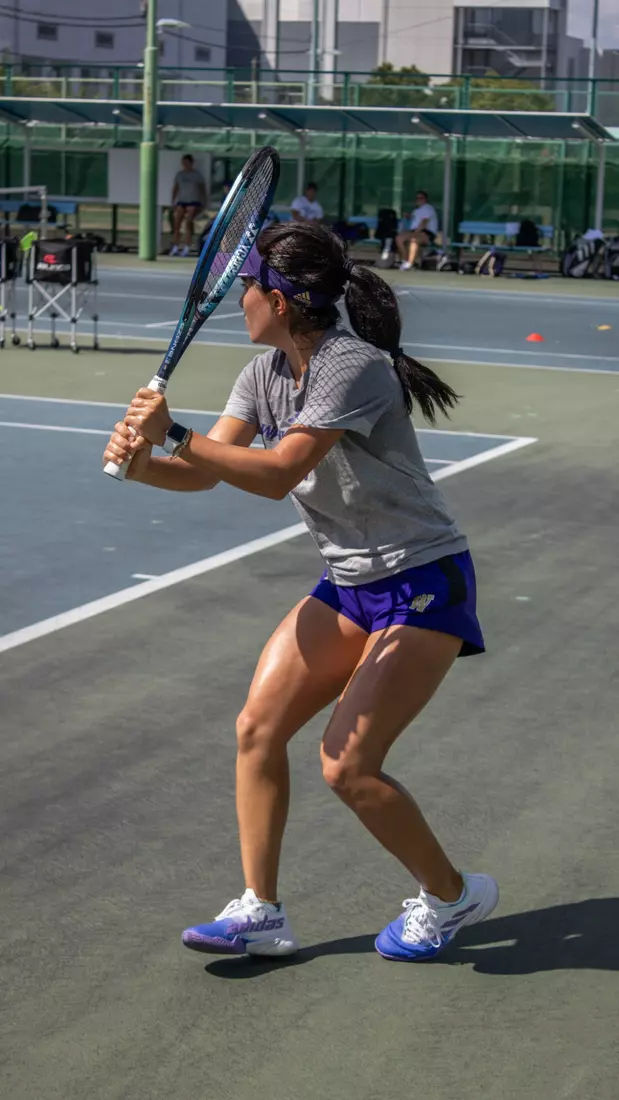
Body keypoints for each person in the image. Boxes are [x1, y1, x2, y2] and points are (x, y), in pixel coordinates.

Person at [103, 222, 499, 963]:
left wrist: (176, 432)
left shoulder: (352, 365)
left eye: (248, 287)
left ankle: (452, 896)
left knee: (346, 765)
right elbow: (203, 470)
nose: (239, 300)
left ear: (280, 301)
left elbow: (279, 471)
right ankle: (260, 911)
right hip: (349, 585)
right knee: (257, 728)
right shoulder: (262, 375)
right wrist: (143, 464)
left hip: (420, 580)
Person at [170, 154, 207, 257]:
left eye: (187, 163)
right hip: (182, 201)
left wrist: (203, 203)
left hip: (193, 201)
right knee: (177, 223)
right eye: (183, 163)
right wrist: (173, 201)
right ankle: (175, 246)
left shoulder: (197, 175)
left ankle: (187, 247)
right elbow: (175, 188)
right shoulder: (180, 175)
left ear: (191, 163)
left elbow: (202, 190)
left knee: (188, 223)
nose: (185, 165)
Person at [396, 189, 439, 271]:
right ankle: (404, 260)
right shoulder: (416, 210)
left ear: (425, 199)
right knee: (399, 238)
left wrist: (416, 232)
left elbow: (424, 222)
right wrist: (408, 216)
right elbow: (415, 220)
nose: (419, 200)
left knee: (414, 240)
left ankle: (410, 263)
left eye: (421, 198)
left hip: (426, 233)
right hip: (414, 231)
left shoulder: (428, 208)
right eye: (417, 198)